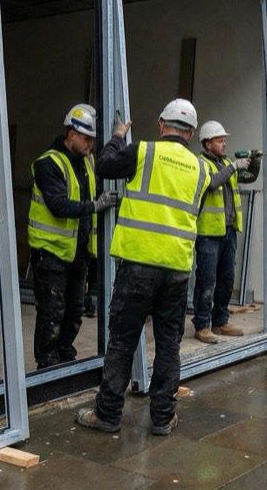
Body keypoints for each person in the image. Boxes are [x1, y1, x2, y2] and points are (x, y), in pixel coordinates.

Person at [76, 99, 237, 436]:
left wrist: (119, 136)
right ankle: (162, 418)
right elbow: (214, 182)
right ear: (191, 134)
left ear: (162, 125)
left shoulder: (143, 151)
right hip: (177, 270)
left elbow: (103, 165)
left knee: (122, 341)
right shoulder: (201, 168)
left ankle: (107, 415)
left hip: (137, 265)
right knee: (168, 345)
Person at [27, 104, 119, 370]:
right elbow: (58, 205)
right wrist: (95, 206)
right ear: (71, 134)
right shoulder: (49, 164)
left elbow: (109, 164)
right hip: (51, 253)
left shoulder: (87, 160)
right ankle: (47, 363)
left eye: (93, 139)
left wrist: (118, 137)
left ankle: (65, 356)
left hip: (77, 253)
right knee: (51, 312)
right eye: (87, 138)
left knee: (75, 312)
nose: (91, 144)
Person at [192, 120, 261, 344]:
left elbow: (249, 178)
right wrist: (234, 166)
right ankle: (202, 325)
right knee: (207, 280)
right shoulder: (200, 164)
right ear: (207, 143)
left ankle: (220, 321)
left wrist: (254, 164)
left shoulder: (226, 163)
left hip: (228, 231)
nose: (224, 143)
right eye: (220, 140)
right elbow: (211, 184)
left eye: (224, 140)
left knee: (226, 279)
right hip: (209, 233)